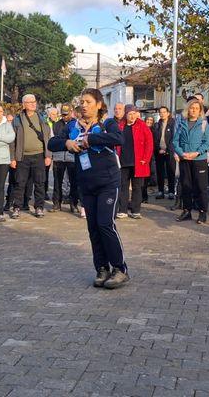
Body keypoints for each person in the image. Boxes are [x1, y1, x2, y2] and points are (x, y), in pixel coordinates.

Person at [47, 88, 128, 289]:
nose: (84, 105)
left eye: (88, 101)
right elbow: (52, 142)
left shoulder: (107, 122)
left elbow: (119, 139)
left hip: (108, 182)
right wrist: (67, 142)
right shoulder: (73, 125)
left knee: (105, 224)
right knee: (92, 227)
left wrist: (91, 139)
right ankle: (102, 268)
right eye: (82, 101)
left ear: (99, 104)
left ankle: (120, 268)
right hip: (86, 183)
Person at [9, 94, 51, 219]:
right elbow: (12, 141)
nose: (33, 104)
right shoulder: (17, 120)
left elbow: (48, 138)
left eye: (34, 101)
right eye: (30, 102)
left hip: (39, 156)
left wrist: (48, 155)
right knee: (20, 183)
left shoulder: (42, 118)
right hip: (22, 157)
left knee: (40, 183)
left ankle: (39, 207)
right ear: (24, 104)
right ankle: (17, 207)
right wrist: (12, 158)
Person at [173, 98, 209, 224]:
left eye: (196, 108)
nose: (193, 110)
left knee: (201, 187)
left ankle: (202, 212)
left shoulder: (204, 124)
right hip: (185, 159)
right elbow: (175, 141)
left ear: (200, 111)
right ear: (188, 109)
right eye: (191, 108)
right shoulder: (182, 123)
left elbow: (208, 143)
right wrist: (181, 153)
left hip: (199, 160)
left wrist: (196, 153)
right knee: (186, 186)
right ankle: (187, 211)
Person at [117, 104, 153, 219]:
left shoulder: (142, 126)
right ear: (126, 115)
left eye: (134, 114)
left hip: (138, 162)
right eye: (129, 114)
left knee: (137, 187)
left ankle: (135, 210)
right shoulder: (120, 126)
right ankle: (122, 210)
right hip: (123, 161)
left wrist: (145, 159)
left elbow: (149, 144)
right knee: (123, 186)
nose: (132, 117)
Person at [51, 104, 78, 213]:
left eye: (66, 114)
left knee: (73, 182)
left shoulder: (76, 124)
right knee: (57, 181)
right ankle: (56, 203)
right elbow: (54, 140)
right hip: (58, 157)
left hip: (72, 157)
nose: (65, 116)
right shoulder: (56, 125)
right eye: (63, 114)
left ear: (72, 112)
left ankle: (74, 204)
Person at [153, 106, 176, 200]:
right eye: (160, 112)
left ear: (168, 113)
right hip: (159, 152)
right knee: (160, 172)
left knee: (171, 171)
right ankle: (160, 191)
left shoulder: (173, 124)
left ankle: (171, 191)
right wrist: (158, 149)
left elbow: (173, 138)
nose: (162, 114)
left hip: (170, 152)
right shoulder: (157, 125)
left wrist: (167, 150)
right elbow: (155, 139)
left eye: (164, 112)